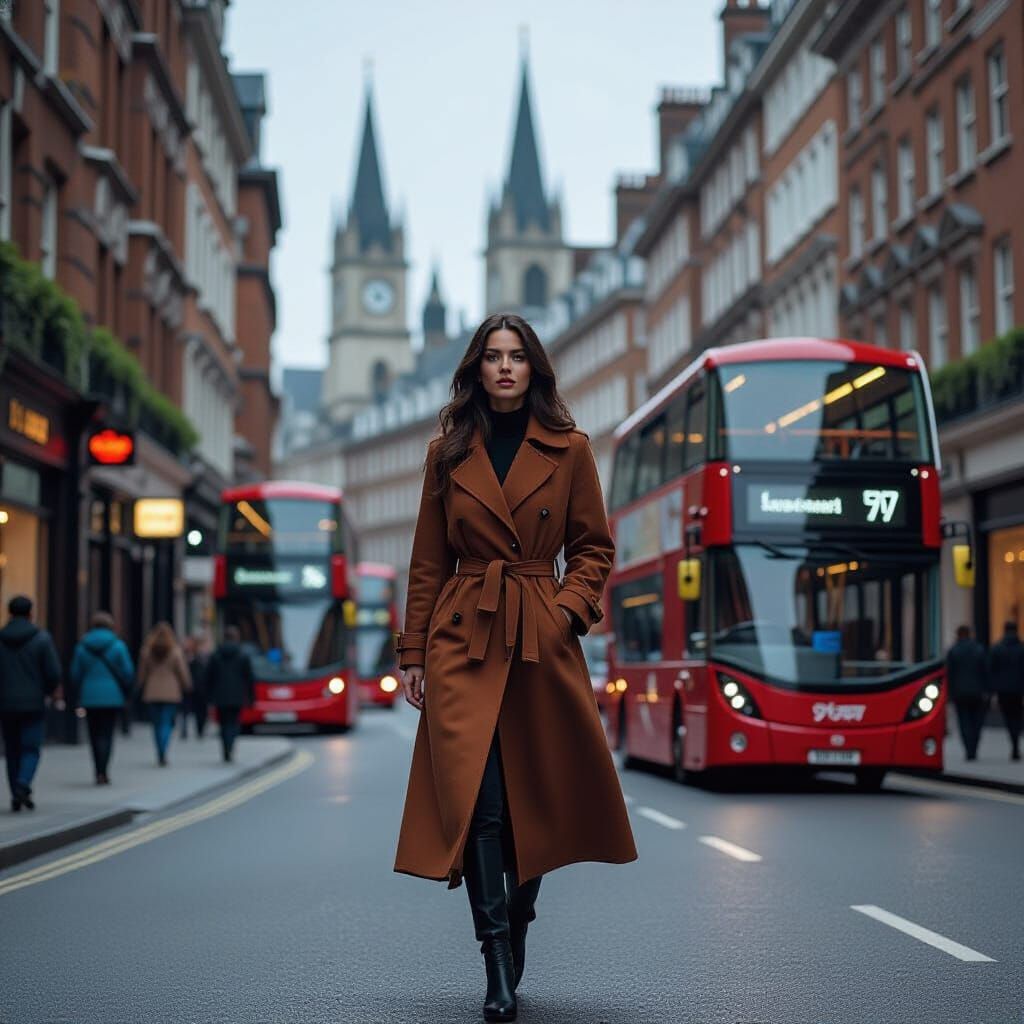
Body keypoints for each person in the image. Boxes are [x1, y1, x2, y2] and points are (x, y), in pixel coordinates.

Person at [393, 313, 637, 1022]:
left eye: (517, 356)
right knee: (482, 803)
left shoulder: (570, 450)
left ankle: (521, 911)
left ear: (534, 369)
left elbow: (593, 547)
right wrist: (414, 654)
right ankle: (496, 959)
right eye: (494, 356)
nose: (505, 367)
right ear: (478, 367)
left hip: (540, 633)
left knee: (540, 793)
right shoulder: (447, 452)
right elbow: (427, 562)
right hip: (464, 634)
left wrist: (566, 611)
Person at [0, 595, 61, 811]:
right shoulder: (42, 639)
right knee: (31, 748)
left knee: (12, 749)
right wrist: (46, 690)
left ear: (10, 613)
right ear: (30, 613)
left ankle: (16, 794)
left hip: (5, 704)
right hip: (33, 703)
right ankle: (23, 783)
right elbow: (53, 673)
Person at [70, 611, 135, 784]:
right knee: (107, 734)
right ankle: (104, 772)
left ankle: (97, 770)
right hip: (112, 697)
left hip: (89, 696)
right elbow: (128, 672)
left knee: (93, 734)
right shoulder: (118, 646)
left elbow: (75, 674)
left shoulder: (82, 646)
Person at [137, 622, 190, 766]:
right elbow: (182, 672)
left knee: (156, 724)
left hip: (152, 691)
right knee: (166, 722)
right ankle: (163, 751)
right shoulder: (175, 651)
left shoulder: (147, 651)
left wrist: (139, 685)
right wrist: (186, 685)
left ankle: (159, 750)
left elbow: (142, 673)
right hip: (171, 691)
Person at [203, 626, 255, 763]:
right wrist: (251, 697)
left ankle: (225, 748)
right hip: (237, 696)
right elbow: (249, 678)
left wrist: (208, 696)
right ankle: (231, 746)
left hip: (220, 696)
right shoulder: (243, 655)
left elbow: (208, 677)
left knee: (223, 723)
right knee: (234, 723)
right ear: (236, 638)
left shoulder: (216, 655)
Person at [945, 624, 988, 761]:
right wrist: (987, 690)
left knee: (964, 722)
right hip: (977, 692)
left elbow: (949, 674)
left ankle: (969, 749)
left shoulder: (953, 651)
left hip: (960, 692)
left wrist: (949, 693)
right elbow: (985, 671)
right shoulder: (979, 649)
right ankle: (974, 747)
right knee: (976, 722)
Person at [988, 620, 1024, 761]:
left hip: (1003, 690)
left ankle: (1013, 741)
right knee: (1017, 717)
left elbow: (991, 671)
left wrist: (992, 691)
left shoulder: (997, 648)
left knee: (1009, 718)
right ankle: (1015, 744)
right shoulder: (1021, 648)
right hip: (1018, 690)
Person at [181, 632, 211, 740]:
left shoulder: (204, 657)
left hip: (200, 687)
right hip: (189, 686)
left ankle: (200, 730)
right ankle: (185, 729)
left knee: (200, 710)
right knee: (186, 709)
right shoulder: (185, 656)